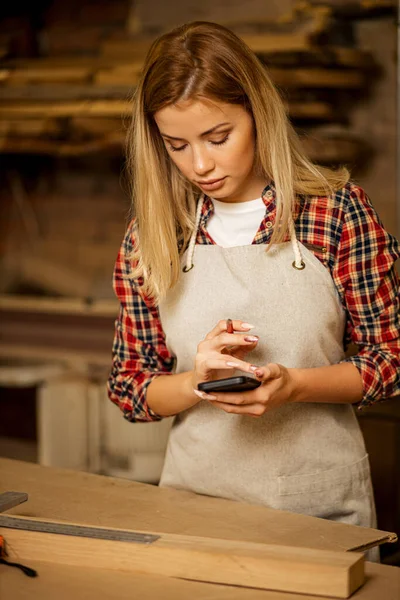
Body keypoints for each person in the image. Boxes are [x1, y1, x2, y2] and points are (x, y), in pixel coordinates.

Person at [107, 21, 400, 560]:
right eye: (177, 145)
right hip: (193, 506)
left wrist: (293, 386)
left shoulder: (335, 213)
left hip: (315, 512)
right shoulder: (152, 233)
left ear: (258, 116)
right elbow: (130, 387)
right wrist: (198, 382)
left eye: (218, 137)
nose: (200, 164)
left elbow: (391, 361)